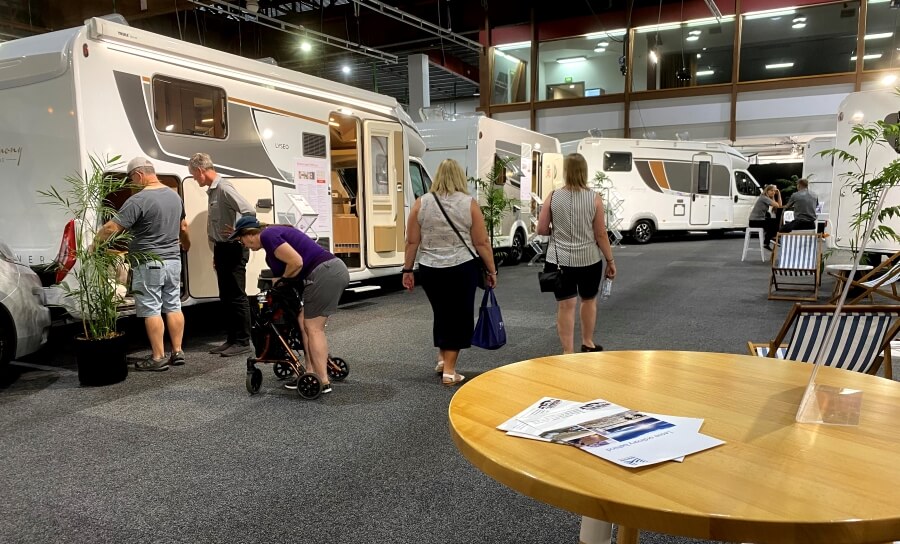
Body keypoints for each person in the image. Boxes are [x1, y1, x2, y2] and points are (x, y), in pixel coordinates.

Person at [401, 158, 498, 386]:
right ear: (459, 177)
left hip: (430, 269)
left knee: (442, 313)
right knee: (459, 316)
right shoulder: (469, 203)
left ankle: (443, 359)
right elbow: (482, 242)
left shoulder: (421, 203)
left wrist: (408, 269)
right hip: (461, 267)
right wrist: (492, 270)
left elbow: (412, 241)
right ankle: (450, 372)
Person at [231, 217, 349, 395]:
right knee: (303, 323)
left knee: (313, 328)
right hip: (328, 271)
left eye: (241, 240)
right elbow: (285, 271)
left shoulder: (268, 235)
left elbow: (296, 262)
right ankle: (309, 372)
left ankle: (323, 380)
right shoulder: (271, 243)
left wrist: (282, 282)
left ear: (249, 235)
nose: (244, 245)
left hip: (324, 273)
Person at [94, 157, 190, 371]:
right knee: (173, 304)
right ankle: (177, 351)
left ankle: (158, 357)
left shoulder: (138, 200)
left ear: (138, 174)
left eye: (131, 179)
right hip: (173, 261)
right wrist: (186, 245)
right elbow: (183, 227)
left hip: (149, 262)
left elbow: (112, 228)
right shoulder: (175, 196)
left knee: (152, 308)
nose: (132, 183)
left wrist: (93, 244)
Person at [536, 153, 616, 355]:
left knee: (565, 305)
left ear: (565, 171)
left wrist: (558, 230)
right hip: (589, 260)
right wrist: (610, 260)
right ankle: (588, 342)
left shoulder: (553, 196)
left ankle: (567, 352)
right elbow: (600, 234)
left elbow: (541, 229)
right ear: (584, 171)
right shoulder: (594, 198)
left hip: (559, 261)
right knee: (588, 300)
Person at [189, 153, 256, 357]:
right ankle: (232, 339)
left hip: (233, 249)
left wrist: (237, 231)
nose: (194, 178)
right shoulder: (213, 191)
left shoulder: (224, 188)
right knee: (226, 297)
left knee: (237, 296)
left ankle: (243, 341)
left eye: (193, 174)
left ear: (201, 171)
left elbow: (249, 211)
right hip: (222, 249)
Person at [749, 184, 782, 250]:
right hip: (754, 221)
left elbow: (779, 205)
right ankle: (772, 238)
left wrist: (778, 194)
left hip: (758, 220)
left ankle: (768, 241)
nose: (773, 192)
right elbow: (777, 205)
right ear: (767, 191)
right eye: (771, 190)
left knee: (773, 220)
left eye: (774, 191)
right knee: (774, 222)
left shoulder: (766, 198)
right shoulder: (764, 197)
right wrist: (778, 194)